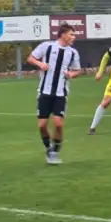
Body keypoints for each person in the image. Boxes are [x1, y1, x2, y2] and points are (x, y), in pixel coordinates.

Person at [27, 23, 82, 165]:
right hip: (44, 92)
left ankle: (56, 151)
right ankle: (49, 149)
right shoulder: (47, 46)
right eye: (71, 34)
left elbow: (78, 70)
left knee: (58, 124)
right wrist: (40, 65)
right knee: (42, 125)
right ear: (63, 34)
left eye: (74, 35)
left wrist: (71, 74)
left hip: (60, 93)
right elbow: (31, 58)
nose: (73, 37)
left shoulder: (73, 53)